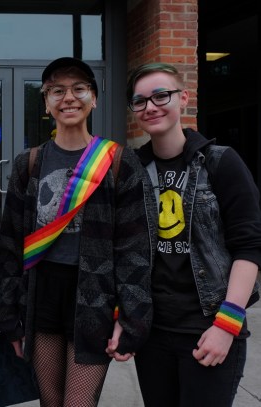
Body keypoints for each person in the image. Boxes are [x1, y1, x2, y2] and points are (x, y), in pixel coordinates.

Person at [0, 57, 153, 407]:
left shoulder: (118, 163)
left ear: (93, 99)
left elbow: (135, 249)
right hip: (42, 296)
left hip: (96, 297)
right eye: (57, 91)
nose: (69, 97)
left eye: (79, 89)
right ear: (46, 103)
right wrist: (10, 315)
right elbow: (9, 247)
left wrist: (131, 318)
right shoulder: (29, 163)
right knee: (50, 402)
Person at [127, 62, 261, 407]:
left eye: (161, 95)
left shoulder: (221, 162)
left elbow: (249, 247)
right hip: (153, 332)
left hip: (208, 327)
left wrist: (227, 325)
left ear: (183, 98)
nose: (150, 106)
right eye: (140, 100)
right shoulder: (132, 170)